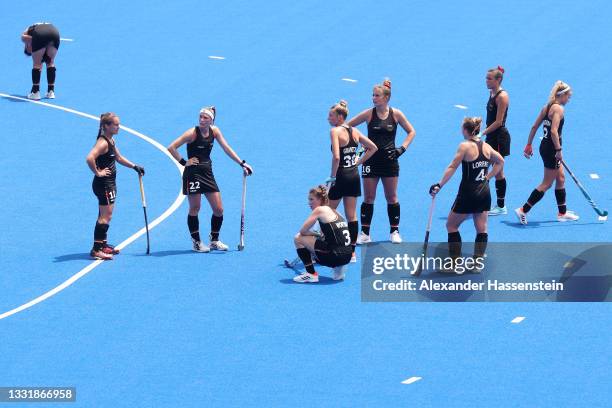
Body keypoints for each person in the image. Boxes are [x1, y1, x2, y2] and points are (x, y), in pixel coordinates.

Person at [167, 107, 253, 252]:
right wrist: (184, 162)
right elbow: (171, 147)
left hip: (207, 173)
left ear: (211, 120)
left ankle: (214, 240)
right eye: (200, 117)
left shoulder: (215, 131)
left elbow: (226, 148)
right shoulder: (192, 133)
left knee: (218, 209)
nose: (201, 120)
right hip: (193, 174)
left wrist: (242, 163)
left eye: (205, 118)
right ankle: (196, 242)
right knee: (195, 208)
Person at [429, 117, 504, 273]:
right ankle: (477, 264)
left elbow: (452, 167)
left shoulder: (465, 146)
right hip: (484, 192)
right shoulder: (487, 147)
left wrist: (439, 185)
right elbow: (500, 161)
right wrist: (488, 178)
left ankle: (455, 264)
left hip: (468, 193)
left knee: (451, 225)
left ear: (466, 130)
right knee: (482, 229)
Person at [347, 78, 416, 244]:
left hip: (390, 162)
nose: (373, 98)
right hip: (370, 162)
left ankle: (394, 231)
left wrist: (402, 149)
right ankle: (364, 233)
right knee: (369, 198)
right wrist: (362, 143)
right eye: (373, 95)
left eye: (377, 95)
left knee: (391, 197)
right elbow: (348, 127)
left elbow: (411, 132)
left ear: (386, 98)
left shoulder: (396, 114)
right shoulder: (368, 114)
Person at [515, 81, 579, 225]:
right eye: (568, 97)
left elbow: (534, 126)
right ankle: (523, 210)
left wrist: (529, 144)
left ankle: (562, 213)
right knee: (547, 183)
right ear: (562, 95)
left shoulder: (547, 107)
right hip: (552, 149)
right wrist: (558, 150)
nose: (568, 100)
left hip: (545, 146)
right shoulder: (559, 109)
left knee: (561, 177)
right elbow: (554, 131)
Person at [86, 113, 145, 260]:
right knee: (106, 216)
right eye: (116, 125)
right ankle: (96, 249)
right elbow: (89, 158)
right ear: (106, 126)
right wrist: (98, 172)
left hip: (109, 184)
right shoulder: (103, 143)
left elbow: (118, 158)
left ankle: (103, 244)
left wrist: (134, 166)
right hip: (104, 184)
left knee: (104, 215)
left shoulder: (110, 140)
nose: (119, 127)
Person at [325, 100, 378, 262]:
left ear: (340, 117)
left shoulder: (335, 132)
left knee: (327, 212)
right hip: (353, 176)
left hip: (340, 175)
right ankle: (352, 252)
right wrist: (358, 162)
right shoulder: (355, 131)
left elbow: (336, 157)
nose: (328, 118)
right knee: (351, 215)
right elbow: (373, 147)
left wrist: (333, 177)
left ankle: (329, 245)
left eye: (331, 115)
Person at [293, 186, 353, 283]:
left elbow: (303, 231)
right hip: (347, 257)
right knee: (329, 243)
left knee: (298, 238)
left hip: (334, 256)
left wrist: (315, 234)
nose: (309, 203)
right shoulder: (335, 211)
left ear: (320, 199)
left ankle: (311, 274)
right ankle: (339, 269)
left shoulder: (319, 210)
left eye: (311, 199)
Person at [482, 66, 511, 215]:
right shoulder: (491, 92)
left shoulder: (502, 96)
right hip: (491, 135)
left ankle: (501, 206)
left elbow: (499, 121)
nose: (486, 81)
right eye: (486, 78)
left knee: (498, 171)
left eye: (489, 78)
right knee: (485, 166)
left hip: (499, 137)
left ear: (498, 80)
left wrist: (483, 132)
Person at [21, 22, 60, 100]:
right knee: (50, 62)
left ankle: (35, 92)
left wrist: (38, 48)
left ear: (27, 45)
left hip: (40, 34)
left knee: (37, 64)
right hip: (55, 32)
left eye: (30, 51)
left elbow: (27, 38)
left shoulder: (24, 36)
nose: (31, 52)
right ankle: (51, 92)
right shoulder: (34, 27)